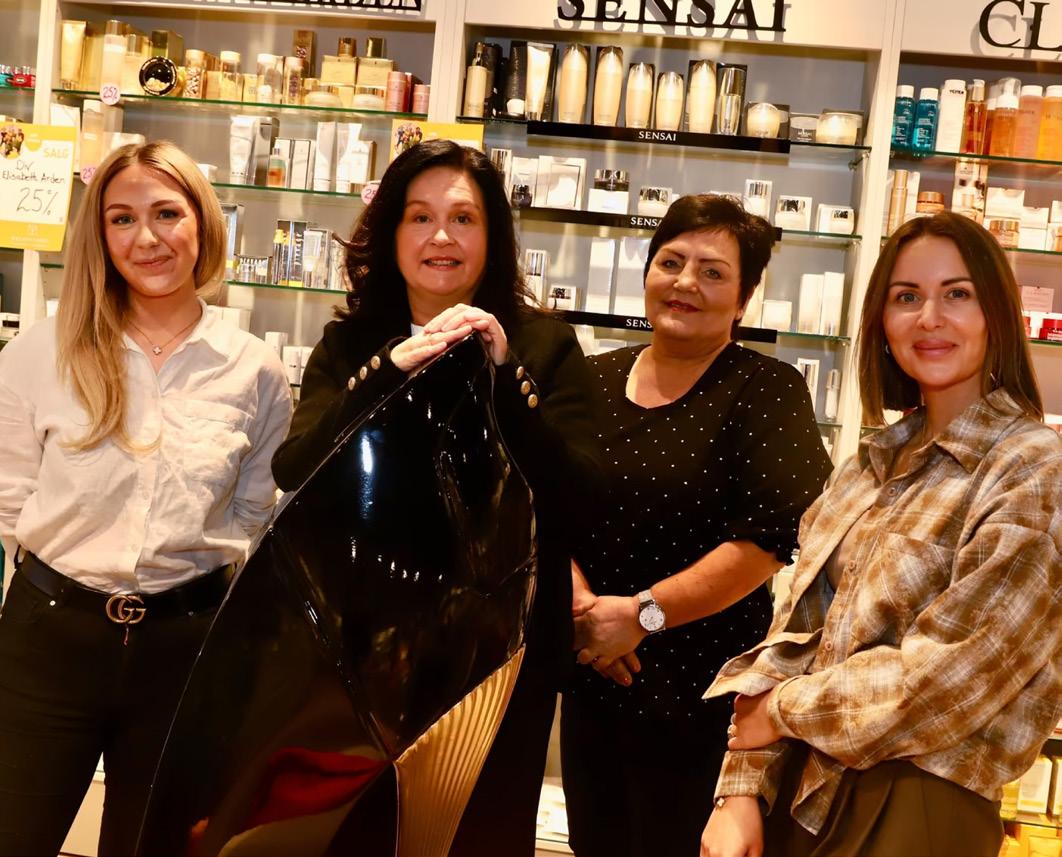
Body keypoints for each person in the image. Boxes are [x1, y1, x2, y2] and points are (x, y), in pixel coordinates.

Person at [270, 139, 600, 856]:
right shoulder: (352, 343)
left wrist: (504, 374)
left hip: (502, 656)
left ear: (493, 237)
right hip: (365, 650)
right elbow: (295, 467)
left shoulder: (544, 345)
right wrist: (386, 372)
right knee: (357, 837)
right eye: (419, 217)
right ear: (392, 234)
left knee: (483, 836)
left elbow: (577, 492)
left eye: (463, 219)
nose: (440, 237)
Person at [701, 211, 1062, 857]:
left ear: (996, 314)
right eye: (907, 297)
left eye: (957, 293)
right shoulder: (867, 465)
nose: (930, 318)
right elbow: (791, 635)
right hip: (801, 788)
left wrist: (781, 711)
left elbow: (953, 677)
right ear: (882, 322)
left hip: (919, 798)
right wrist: (741, 792)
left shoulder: (1031, 467)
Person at [0, 140, 292, 856]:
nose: (146, 238)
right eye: (122, 219)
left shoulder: (254, 369)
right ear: (100, 236)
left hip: (187, 653)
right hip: (50, 639)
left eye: (166, 213)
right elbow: (11, 496)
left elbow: (253, 512)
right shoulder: (42, 352)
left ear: (202, 222)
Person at [561, 194, 832, 857]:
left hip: (706, 698)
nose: (685, 283)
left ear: (744, 300)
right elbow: (541, 506)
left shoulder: (768, 390)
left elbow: (768, 543)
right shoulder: (590, 378)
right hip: (592, 675)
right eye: (671, 262)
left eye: (712, 272)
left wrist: (641, 616)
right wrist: (582, 608)